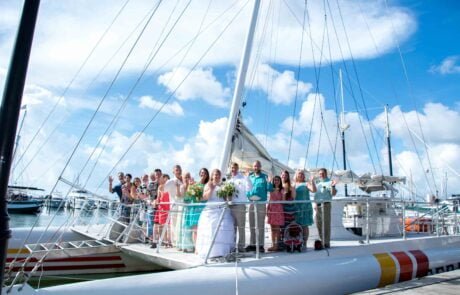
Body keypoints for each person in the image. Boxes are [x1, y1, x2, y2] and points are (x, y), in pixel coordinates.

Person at [196, 169, 234, 259]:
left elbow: (225, 199)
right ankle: (211, 251)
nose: (216, 176)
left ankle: (222, 251)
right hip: (211, 209)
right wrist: (212, 189)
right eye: (215, 175)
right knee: (211, 229)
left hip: (222, 209)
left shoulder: (223, 185)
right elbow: (205, 197)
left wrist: (229, 195)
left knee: (224, 228)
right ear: (212, 176)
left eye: (218, 175)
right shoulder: (209, 184)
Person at [245, 160, 272, 253]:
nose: (256, 168)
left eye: (257, 166)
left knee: (260, 225)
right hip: (251, 202)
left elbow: (269, 189)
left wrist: (269, 182)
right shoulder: (250, 177)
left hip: (261, 203)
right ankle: (252, 244)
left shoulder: (264, 177)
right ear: (253, 167)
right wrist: (248, 195)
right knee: (251, 224)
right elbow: (246, 188)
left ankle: (260, 245)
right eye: (255, 166)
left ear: (260, 167)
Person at [227, 162, 252, 252]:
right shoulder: (228, 180)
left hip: (240, 205)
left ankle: (241, 247)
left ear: (237, 169)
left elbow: (249, 188)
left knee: (241, 227)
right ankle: (232, 246)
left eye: (235, 168)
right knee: (232, 228)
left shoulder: (243, 178)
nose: (233, 169)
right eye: (232, 168)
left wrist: (247, 177)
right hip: (230, 206)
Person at [183, 168, 209, 250]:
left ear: (207, 175)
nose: (202, 174)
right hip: (195, 209)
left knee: (203, 229)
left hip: (204, 208)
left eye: (204, 173)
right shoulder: (194, 185)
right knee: (195, 229)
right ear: (199, 174)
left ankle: (203, 247)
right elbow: (187, 197)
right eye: (201, 172)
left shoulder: (208, 185)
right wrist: (189, 186)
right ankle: (196, 248)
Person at [293, 169, 316, 250]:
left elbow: (314, 190)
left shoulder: (307, 183)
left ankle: (305, 243)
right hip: (296, 207)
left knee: (304, 226)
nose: (301, 175)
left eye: (302, 174)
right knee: (296, 225)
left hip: (305, 208)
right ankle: (297, 242)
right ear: (296, 175)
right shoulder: (293, 184)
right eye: (299, 174)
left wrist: (312, 181)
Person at [314, 168, 337, 249]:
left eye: (323, 173)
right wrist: (315, 204)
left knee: (326, 224)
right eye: (320, 173)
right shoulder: (318, 183)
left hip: (326, 205)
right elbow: (316, 195)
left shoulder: (330, 182)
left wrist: (333, 186)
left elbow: (333, 194)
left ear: (326, 173)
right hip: (318, 205)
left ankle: (326, 243)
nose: (321, 175)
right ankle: (322, 240)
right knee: (318, 223)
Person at [164, 165, 185, 248]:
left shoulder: (183, 180)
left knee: (181, 224)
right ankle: (174, 242)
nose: (178, 171)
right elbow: (163, 190)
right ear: (173, 172)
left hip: (183, 204)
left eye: (179, 169)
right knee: (174, 224)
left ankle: (180, 241)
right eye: (176, 170)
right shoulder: (170, 181)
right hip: (174, 205)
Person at [267, 175, 285, 252]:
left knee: (277, 229)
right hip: (271, 209)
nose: (276, 181)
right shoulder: (271, 189)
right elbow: (269, 199)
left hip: (278, 210)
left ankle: (277, 245)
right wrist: (267, 209)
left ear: (280, 181)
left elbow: (283, 201)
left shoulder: (282, 190)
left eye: (277, 180)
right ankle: (273, 244)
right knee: (272, 228)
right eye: (275, 180)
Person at [153, 174, 171, 247]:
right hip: (162, 207)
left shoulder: (170, 187)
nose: (166, 180)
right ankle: (163, 241)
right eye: (165, 178)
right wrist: (155, 202)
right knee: (162, 225)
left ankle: (168, 241)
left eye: (167, 179)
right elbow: (158, 198)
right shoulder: (160, 187)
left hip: (169, 207)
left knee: (168, 225)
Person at [147, 169, 161, 247]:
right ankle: (153, 241)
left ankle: (161, 240)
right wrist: (151, 202)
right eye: (156, 174)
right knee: (152, 224)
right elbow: (148, 195)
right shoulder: (150, 185)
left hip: (161, 206)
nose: (158, 176)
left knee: (160, 224)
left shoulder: (164, 184)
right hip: (152, 206)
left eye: (159, 174)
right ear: (154, 176)